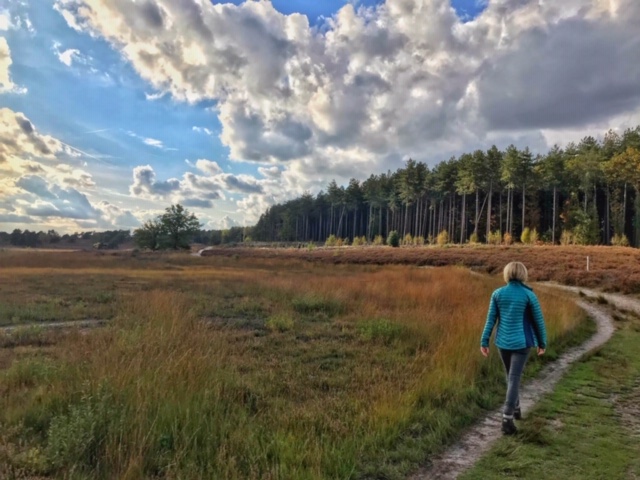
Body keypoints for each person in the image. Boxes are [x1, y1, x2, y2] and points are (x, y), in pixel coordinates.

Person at [480, 261, 547, 435]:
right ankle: (507, 419)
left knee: (510, 376)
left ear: (507, 274)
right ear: (523, 274)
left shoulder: (498, 294)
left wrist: (484, 341)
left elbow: (491, 320)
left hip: (503, 342)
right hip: (522, 342)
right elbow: (538, 321)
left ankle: (515, 408)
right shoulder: (528, 295)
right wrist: (542, 342)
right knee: (514, 377)